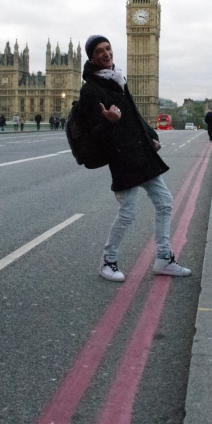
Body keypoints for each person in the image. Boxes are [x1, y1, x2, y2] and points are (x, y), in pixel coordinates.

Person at [77, 34, 191, 281]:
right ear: (91, 57)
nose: (106, 54)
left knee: (165, 202)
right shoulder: (91, 90)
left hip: (140, 152)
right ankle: (108, 261)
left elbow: (133, 114)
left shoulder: (117, 78)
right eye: (99, 51)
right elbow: (93, 133)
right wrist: (109, 122)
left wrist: (150, 134)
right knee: (128, 213)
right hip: (122, 157)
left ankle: (163, 258)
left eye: (108, 48)